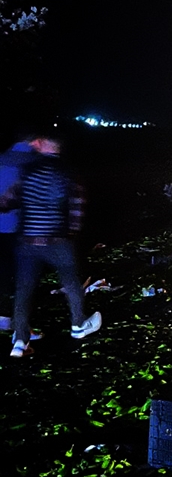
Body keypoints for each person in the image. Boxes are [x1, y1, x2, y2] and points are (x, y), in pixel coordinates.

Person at [0, 131, 100, 357]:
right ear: (58, 149)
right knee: (71, 281)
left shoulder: (28, 171)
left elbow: (8, 200)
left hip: (27, 240)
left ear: (46, 146)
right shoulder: (68, 172)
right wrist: (71, 232)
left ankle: (19, 341)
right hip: (57, 239)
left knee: (23, 290)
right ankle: (78, 326)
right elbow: (77, 205)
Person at [0, 134, 37, 333]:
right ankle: (16, 322)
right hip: (17, 227)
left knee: (3, 272)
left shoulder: (3, 159)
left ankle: (3, 317)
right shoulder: (30, 163)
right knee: (21, 275)